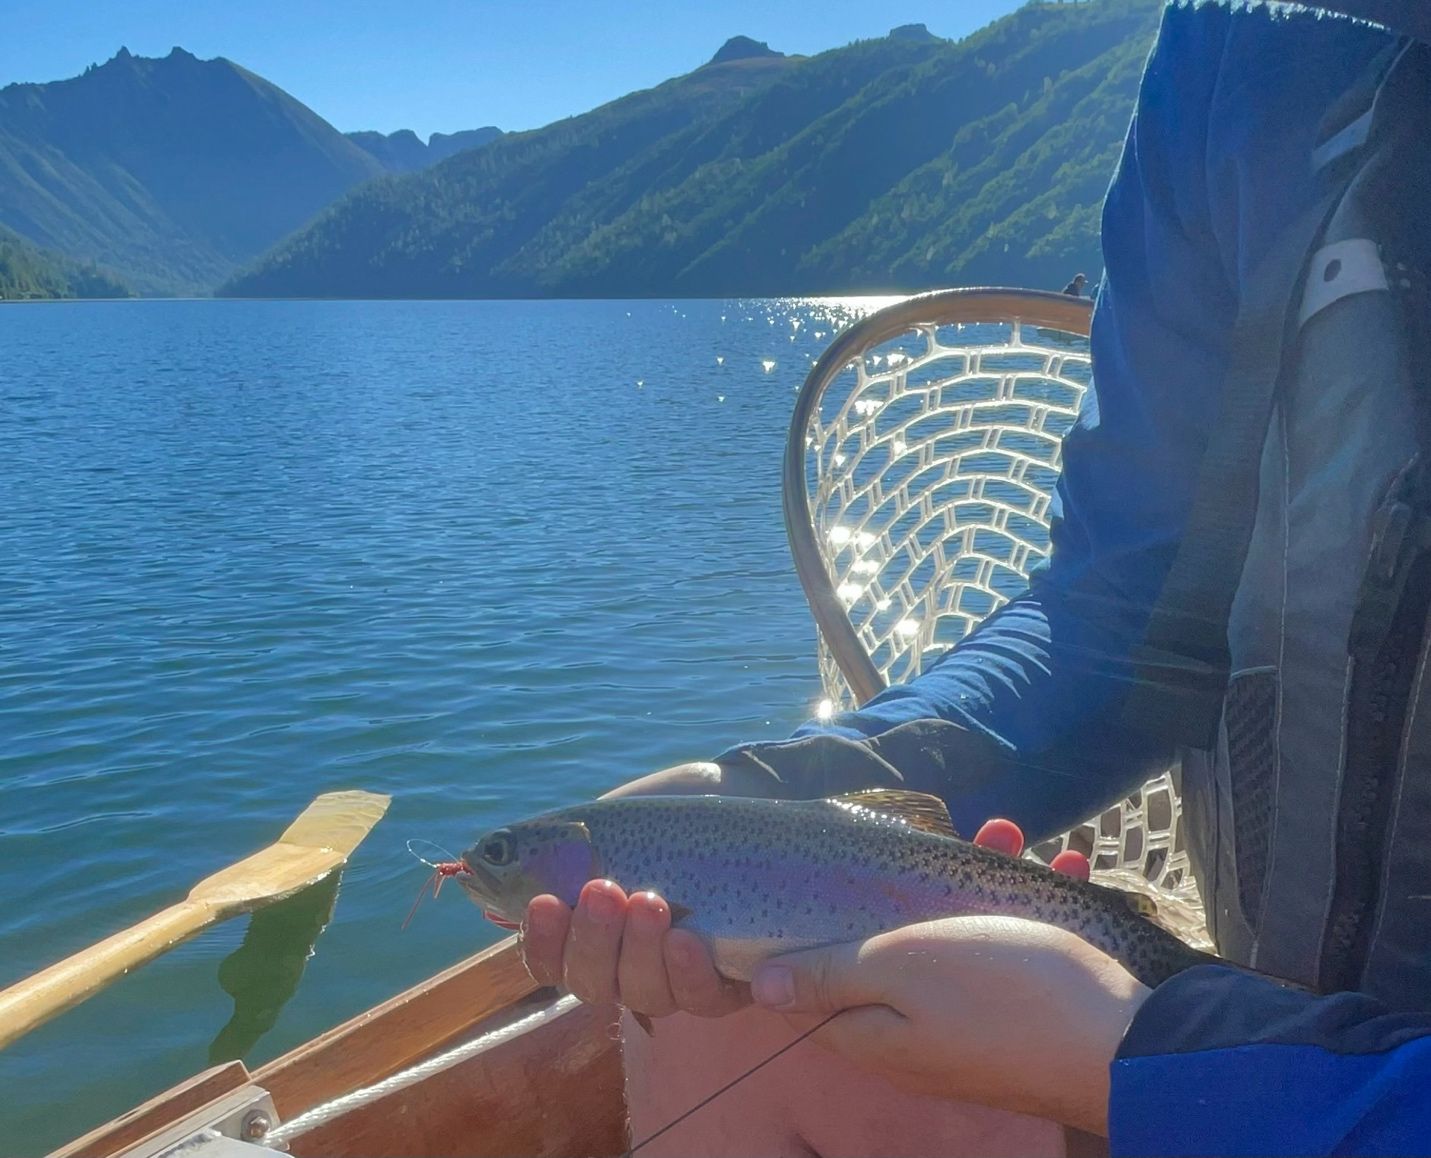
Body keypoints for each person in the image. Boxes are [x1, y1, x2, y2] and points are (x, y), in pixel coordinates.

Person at [521, 2, 1431, 1153]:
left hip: (1239, 1070)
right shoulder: (1251, 45)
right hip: (1221, 1036)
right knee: (717, 1020)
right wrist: (787, 790)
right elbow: (1119, 618)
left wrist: (1149, 1059)